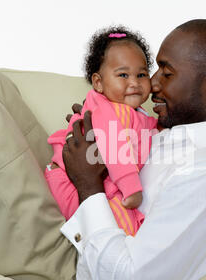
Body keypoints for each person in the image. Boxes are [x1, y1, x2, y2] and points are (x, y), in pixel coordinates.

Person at [60, 19, 206, 280]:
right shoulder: (196, 130)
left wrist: (88, 185)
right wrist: (105, 126)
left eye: (166, 73)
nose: (151, 84)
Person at [45, 26, 158, 236]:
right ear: (98, 82)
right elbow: (114, 145)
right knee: (121, 229)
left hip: (96, 180)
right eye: (123, 75)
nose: (134, 82)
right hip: (69, 178)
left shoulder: (134, 113)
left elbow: (150, 131)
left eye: (141, 74)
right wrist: (131, 186)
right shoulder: (110, 109)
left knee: (123, 224)